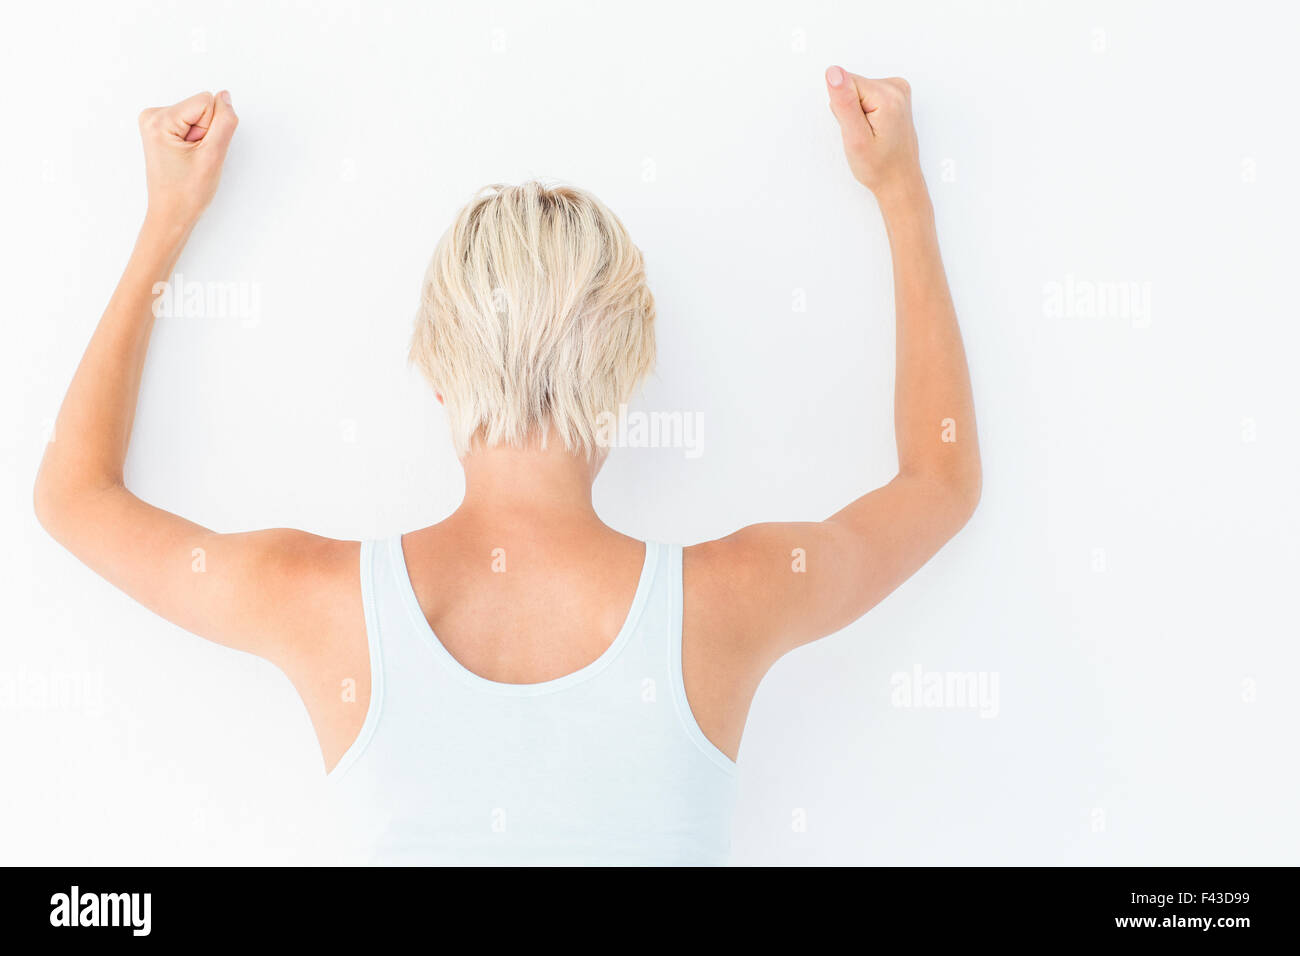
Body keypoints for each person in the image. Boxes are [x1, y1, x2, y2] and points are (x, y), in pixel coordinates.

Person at [34, 65, 980, 865]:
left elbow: (74, 496)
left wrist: (167, 217)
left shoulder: (312, 598)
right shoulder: (736, 596)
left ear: (438, 376)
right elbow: (939, 483)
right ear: (623, 381)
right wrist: (900, 191)